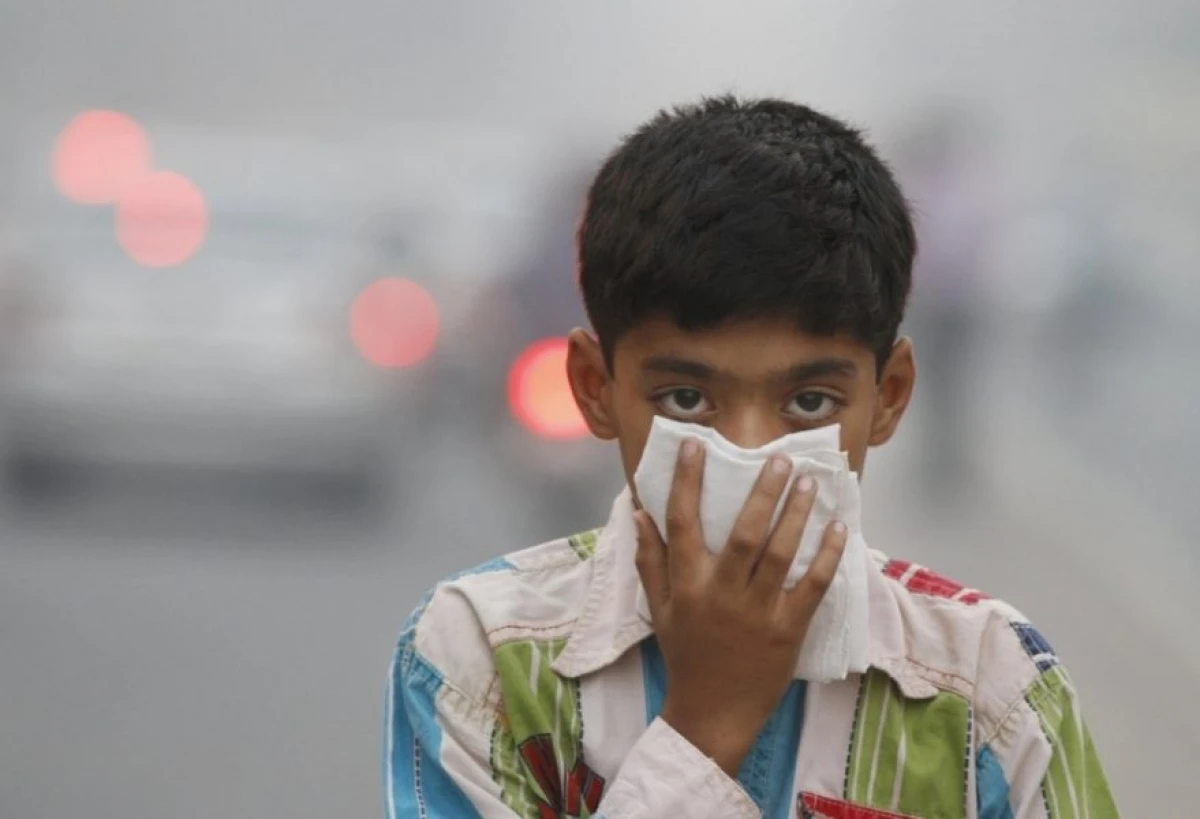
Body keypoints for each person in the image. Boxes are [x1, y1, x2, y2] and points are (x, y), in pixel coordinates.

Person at [384, 96, 1119, 819]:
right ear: (595, 389)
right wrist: (706, 725)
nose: (750, 454)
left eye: (809, 403)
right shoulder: (481, 661)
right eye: (685, 399)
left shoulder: (991, 692)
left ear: (889, 397)